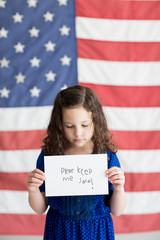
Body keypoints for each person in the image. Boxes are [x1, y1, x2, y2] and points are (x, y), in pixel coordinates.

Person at [27, 85, 126, 240]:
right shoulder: (50, 155)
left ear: (96, 121)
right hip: (60, 231)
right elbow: (40, 208)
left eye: (85, 125)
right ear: (59, 124)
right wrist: (33, 189)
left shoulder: (106, 156)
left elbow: (117, 210)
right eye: (69, 126)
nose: (78, 133)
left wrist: (119, 188)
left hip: (97, 231)